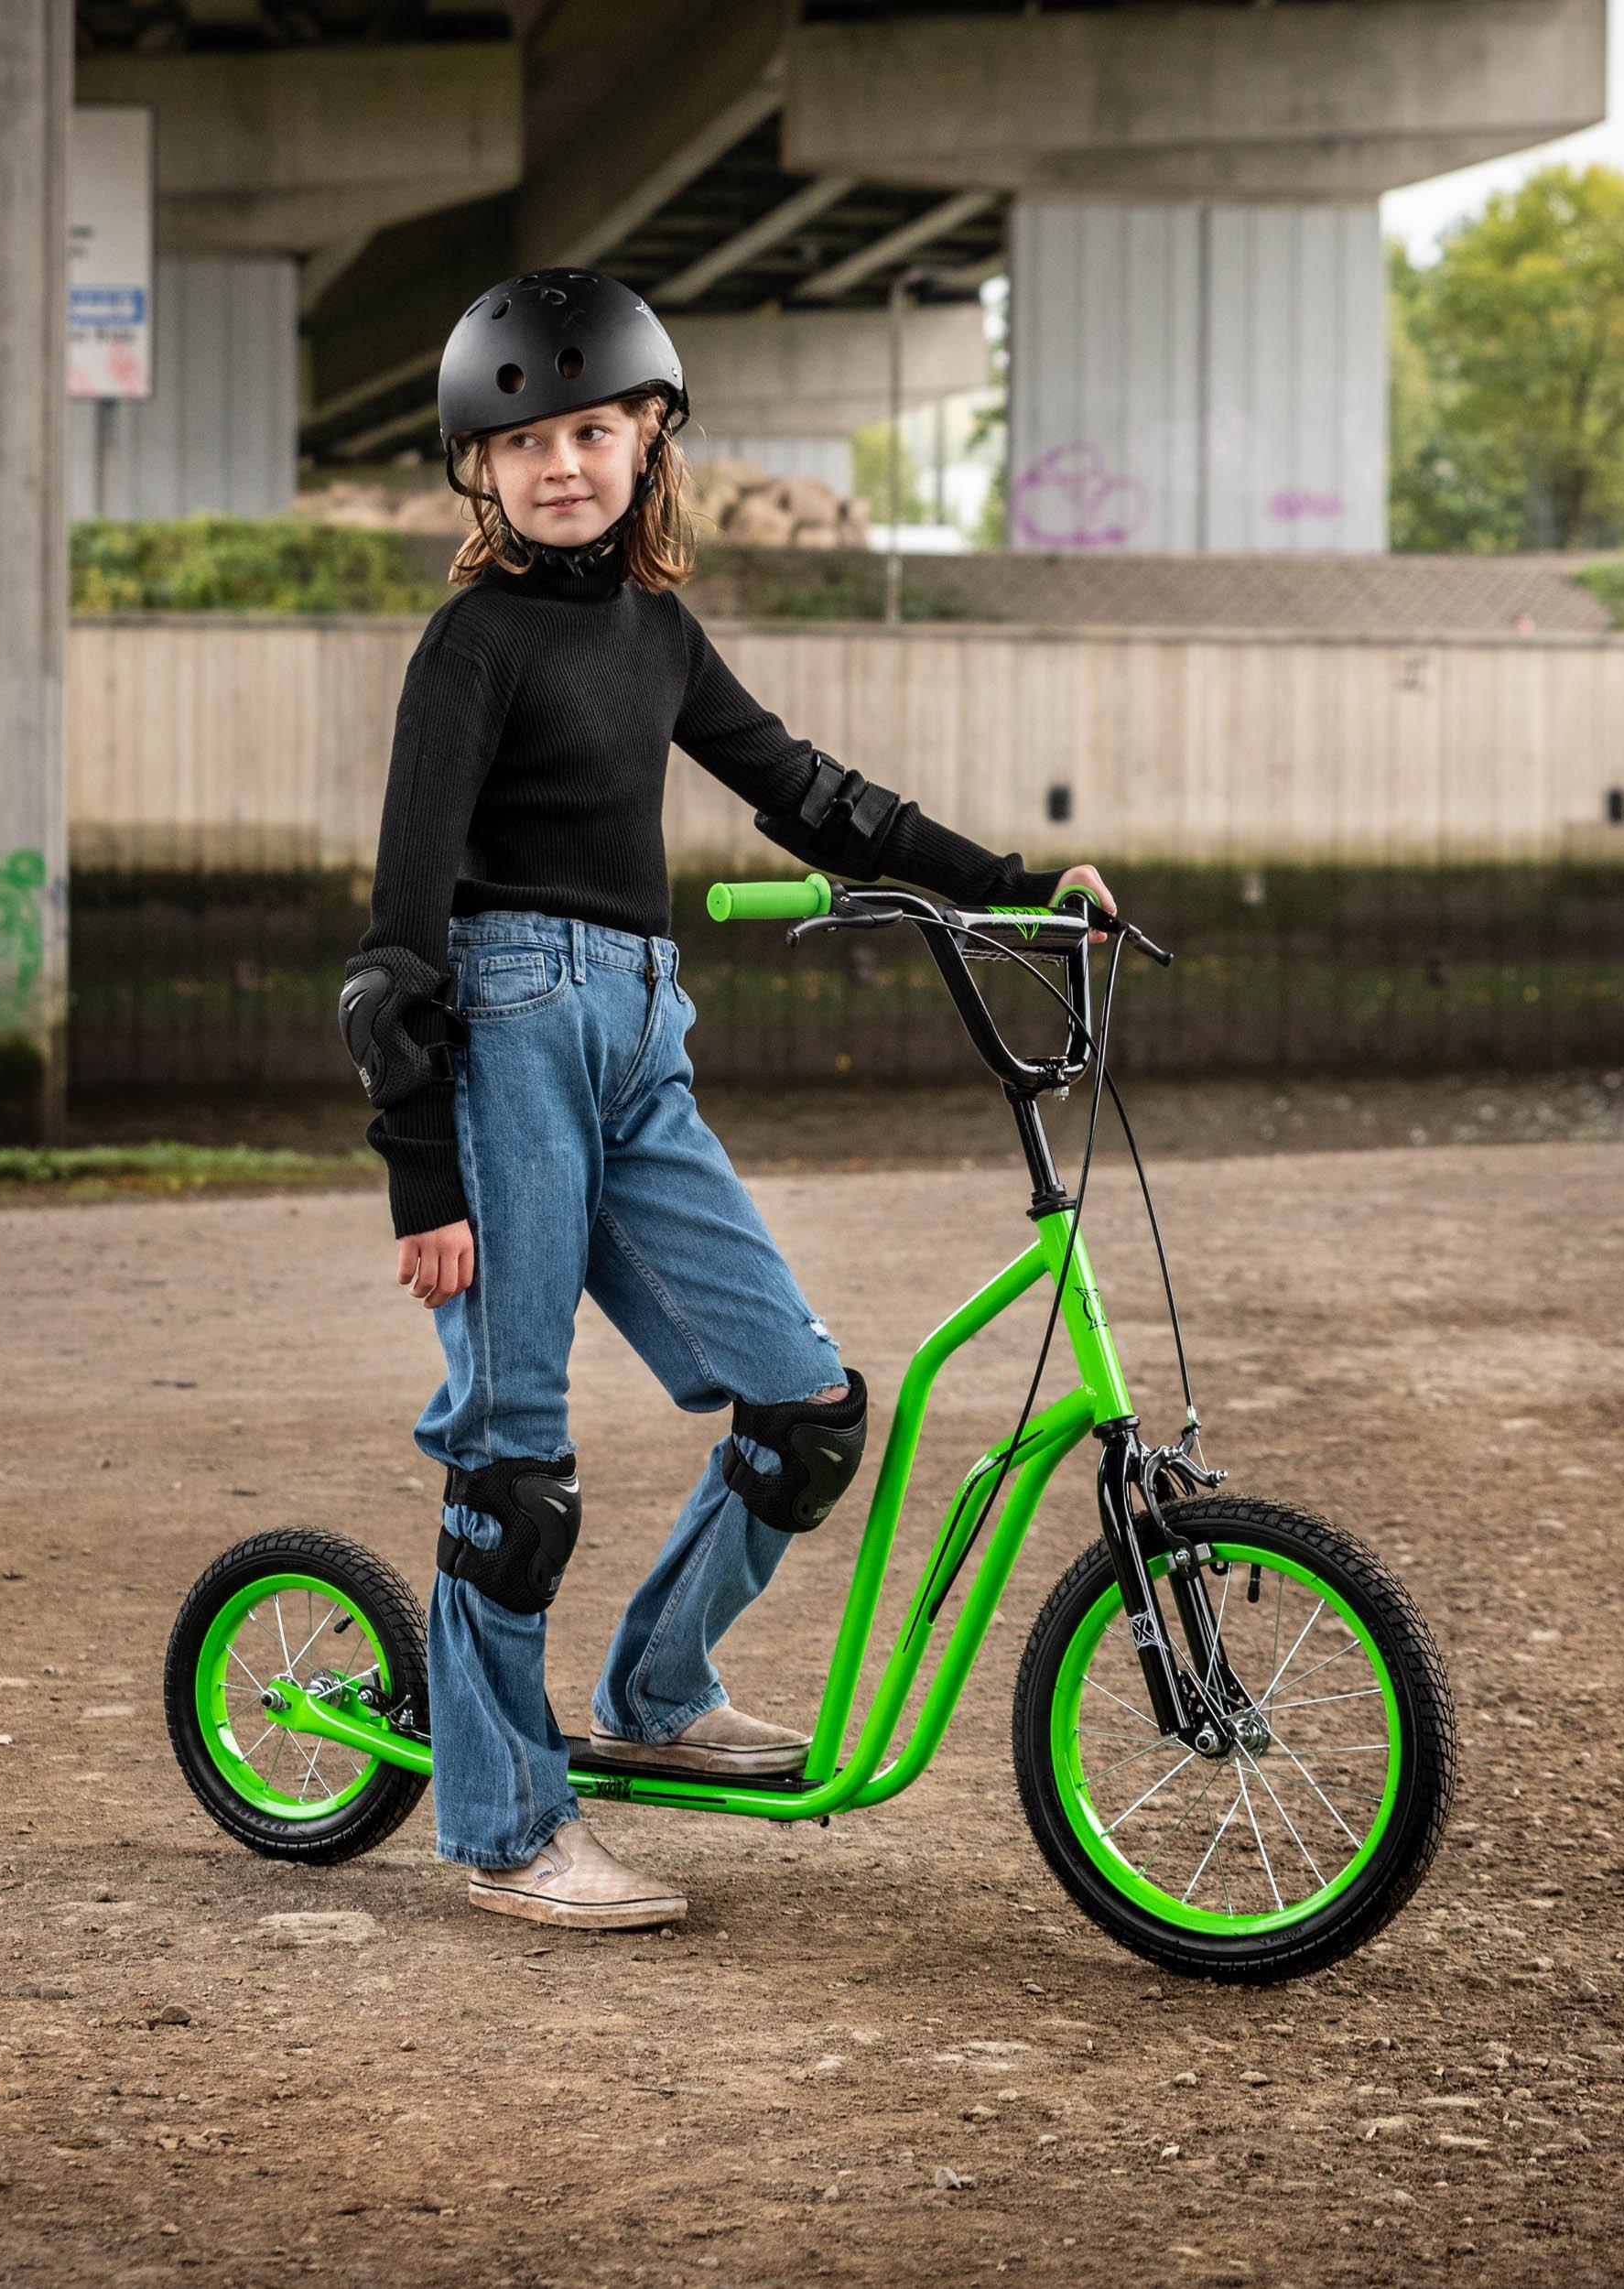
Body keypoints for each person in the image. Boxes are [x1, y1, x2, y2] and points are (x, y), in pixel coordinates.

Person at [341, 266, 1115, 1931]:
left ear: (650, 442)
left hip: (638, 1033)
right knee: (515, 1470)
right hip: (504, 1036)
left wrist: (1009, 886)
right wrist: (422, 1176)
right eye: (527, 441)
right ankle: (502, 1829)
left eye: (593, 432)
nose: (563, 464)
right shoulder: (471, 646)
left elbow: (813, 795)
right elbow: (395, 945)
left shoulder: (657, 635)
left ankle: (655, 1690)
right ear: (481, 468)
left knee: (807, 1410)